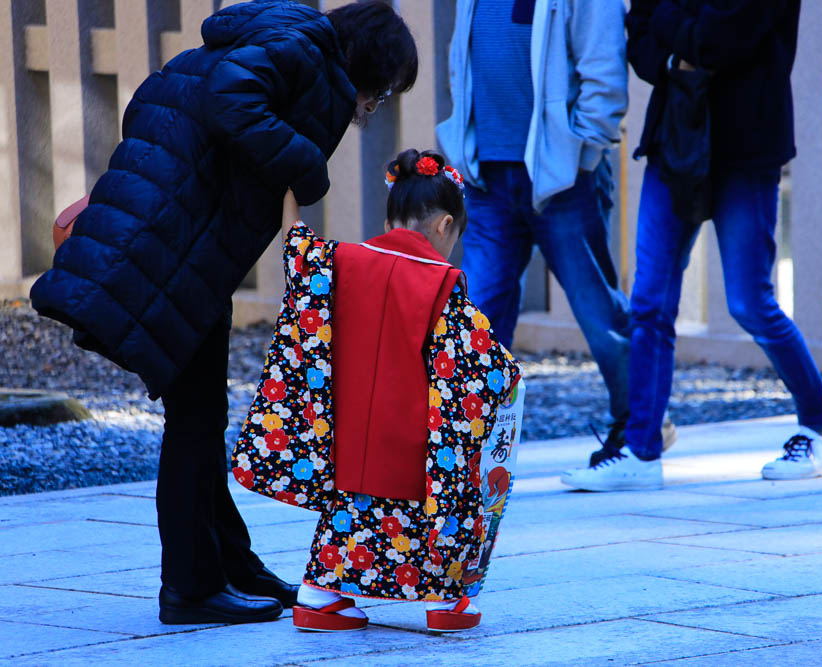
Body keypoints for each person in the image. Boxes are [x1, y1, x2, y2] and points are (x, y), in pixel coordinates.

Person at [30, 0, 418, 624]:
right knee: (196, 418)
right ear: (371, 66)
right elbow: (227, 99)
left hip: (183, 245)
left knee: (203, 411)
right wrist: (304, 163)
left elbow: (166, 102)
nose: (373, 107)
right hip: (173, 247)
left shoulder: (284, 44)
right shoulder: (303, 54)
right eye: (383, 92)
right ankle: (190, 587)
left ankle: (229, 563)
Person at [562, 0, 822, 491]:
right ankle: (641, 451)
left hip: (747, 145)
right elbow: (640, 35)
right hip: (675, 137)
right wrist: (680, 55)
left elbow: (727, 36)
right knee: (650, 301)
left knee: (749, 301)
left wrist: (676, 27)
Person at [233, 150, 523, 633]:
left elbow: (296, 246)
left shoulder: (338, 262)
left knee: (348, 518)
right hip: (413, 451)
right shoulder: (442, 282)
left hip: (347, 446)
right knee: (445, 501)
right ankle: (446, 601)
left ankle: (320, 595)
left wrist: (289, 192)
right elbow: (480, 370)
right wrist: (507, 376)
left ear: (390, 217)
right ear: (444, 225)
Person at [437, 0, 654, 455]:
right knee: (477, 312)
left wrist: (584, 153)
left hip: (564, 176)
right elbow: (462, 58)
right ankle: (470, 442)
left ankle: (639, 431)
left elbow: (604, 70)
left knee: (599, 312)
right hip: (487, 176)